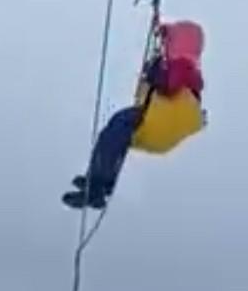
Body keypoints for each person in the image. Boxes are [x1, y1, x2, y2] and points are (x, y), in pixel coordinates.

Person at [63, 20, 205, 212]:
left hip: (161, 120)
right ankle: (103, 182)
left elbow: (169, 86)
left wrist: (155, 72)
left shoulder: (183, 65)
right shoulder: (187, 70)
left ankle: (97, 184)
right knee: (116, 134)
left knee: (115, 129)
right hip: (163, 126)